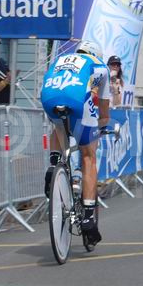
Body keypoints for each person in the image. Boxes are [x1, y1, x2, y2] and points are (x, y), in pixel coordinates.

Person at [41, 40, 111, 248]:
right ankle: (89, 215)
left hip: (49, 98)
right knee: (89, 156)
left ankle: (53, 166)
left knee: (59, 128)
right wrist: (98, 128)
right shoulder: (100, 66)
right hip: (78, 101)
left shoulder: (60, 60)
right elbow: (105, 114)